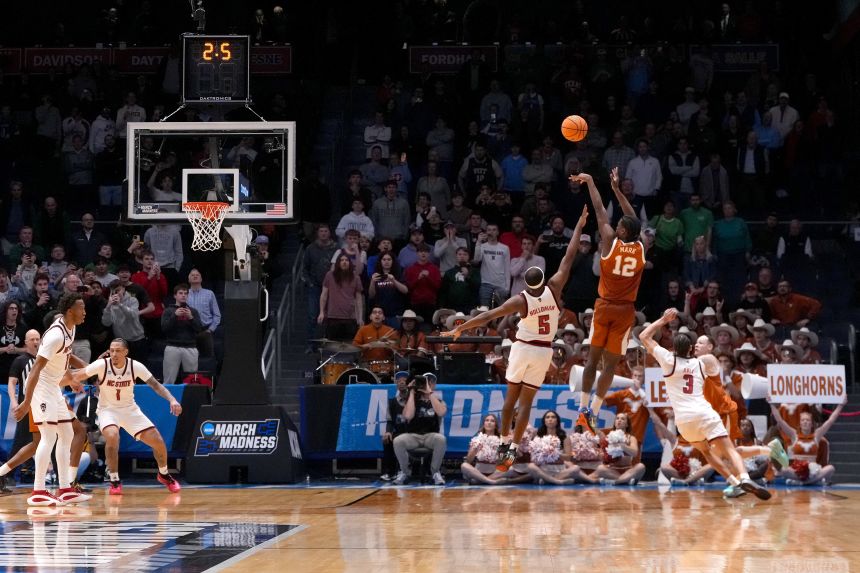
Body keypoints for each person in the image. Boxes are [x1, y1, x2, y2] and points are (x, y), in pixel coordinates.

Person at [443, 206, 588, 471]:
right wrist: (579, 226)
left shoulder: (520, 300)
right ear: (543, 280)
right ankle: (510, 453)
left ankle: (504, 443)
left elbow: (487, 317)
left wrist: (459, 329)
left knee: (509, 403)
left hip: (523, 349)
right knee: (526, 405)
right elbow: (568, 256)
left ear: (526, 284)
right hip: (544, 351)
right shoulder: (554, 289)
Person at [638, 308, 771, 500]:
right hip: (704, 413)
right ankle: (744, 478)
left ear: (673, 349)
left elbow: (644, 336)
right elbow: (713, 364)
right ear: (691, 350)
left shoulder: (668, 360)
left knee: (707, 452)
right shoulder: (700, 364)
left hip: (684, 422)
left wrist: (664, 320)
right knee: (728, 449)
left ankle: (735, 483)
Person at [570, 169, 644, 433]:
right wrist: (617, 191)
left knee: (592, 362)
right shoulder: (640, 246)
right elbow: (634, 218)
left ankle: (582, 409)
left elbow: (600, 209)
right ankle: (595, 413)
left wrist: (591, 181)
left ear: (621, 230)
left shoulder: (609, 242)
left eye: (620, 224)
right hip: (625, 311)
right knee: (610, 366)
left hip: (604, 307)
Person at [70, 338, 181, 494]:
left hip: (130, 410)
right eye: (112, 350)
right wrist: (71, 381)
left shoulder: (135, 366)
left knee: (158, 442)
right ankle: (114, 480)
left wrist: (172, 399)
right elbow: (76, 375)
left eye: (118, 351)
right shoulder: (102, 365)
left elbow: (156, 385)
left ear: (126, 352)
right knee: (112, 436)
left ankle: (163, 474)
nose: (114, 354)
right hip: (107, 410)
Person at [13, 293, 91, 506]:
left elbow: (64, 358)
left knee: (66, 433)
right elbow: (36, 368)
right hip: (41, 387)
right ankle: (38, 492)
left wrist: (82, 370)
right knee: (48, 437)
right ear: (69, 311)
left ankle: (65, 488)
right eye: (81, 308)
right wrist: (27, 401)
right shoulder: (55, 335)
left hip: (54, 387)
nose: (85, 312)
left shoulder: (71, 328)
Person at [769, 398, 842, 486]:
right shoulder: (794, 435)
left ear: (811, 424)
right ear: (800, 423)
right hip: (797, 471)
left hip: (814, 470)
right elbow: (780, 421)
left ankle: (804, 482)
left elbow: (830, 421)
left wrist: (841, 405)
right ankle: (813, 482)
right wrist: (771, 404)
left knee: (831, 468)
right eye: (803, 420)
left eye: (807, 420)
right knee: (783, 470)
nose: (805, 422)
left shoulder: (817, 435)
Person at [392, 374, 448, 486]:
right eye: (425, 382)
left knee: (441, 439)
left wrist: (429, 392)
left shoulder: (438, 401)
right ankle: (405, 472)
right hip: (413, 436)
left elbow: (441, 412)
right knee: (398, 441)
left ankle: (435, 472)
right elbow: (408, 416)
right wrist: (412, 392)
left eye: (430, 382)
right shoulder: (412, 400)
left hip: (431, 436)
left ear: (434, 385)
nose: (427, 384)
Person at [161, 284, 204, 384]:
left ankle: (190, 399)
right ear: (175, 296)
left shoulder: (193, 311)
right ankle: (167, 399)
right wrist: (174, 316)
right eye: (180, 293)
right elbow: (164, 328)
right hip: (172, 346)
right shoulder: (168, 311)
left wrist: (191, 318)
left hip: (190, 347)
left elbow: (199, 329)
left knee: (191, 379)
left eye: (185, 293)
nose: (183, 295)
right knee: (169, 379)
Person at [318, 254, 363, 341]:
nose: (344, 262)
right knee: (332, 345)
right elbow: (324, 295)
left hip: (350, 317)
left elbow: (359, 299)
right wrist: (321, 312)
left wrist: (360, 317)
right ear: (338, 263)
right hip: (333, 317)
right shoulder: (329, 275)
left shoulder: (356, 278)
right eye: (342, 260)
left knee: (349, 345)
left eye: (346, 260)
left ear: (350, 263)